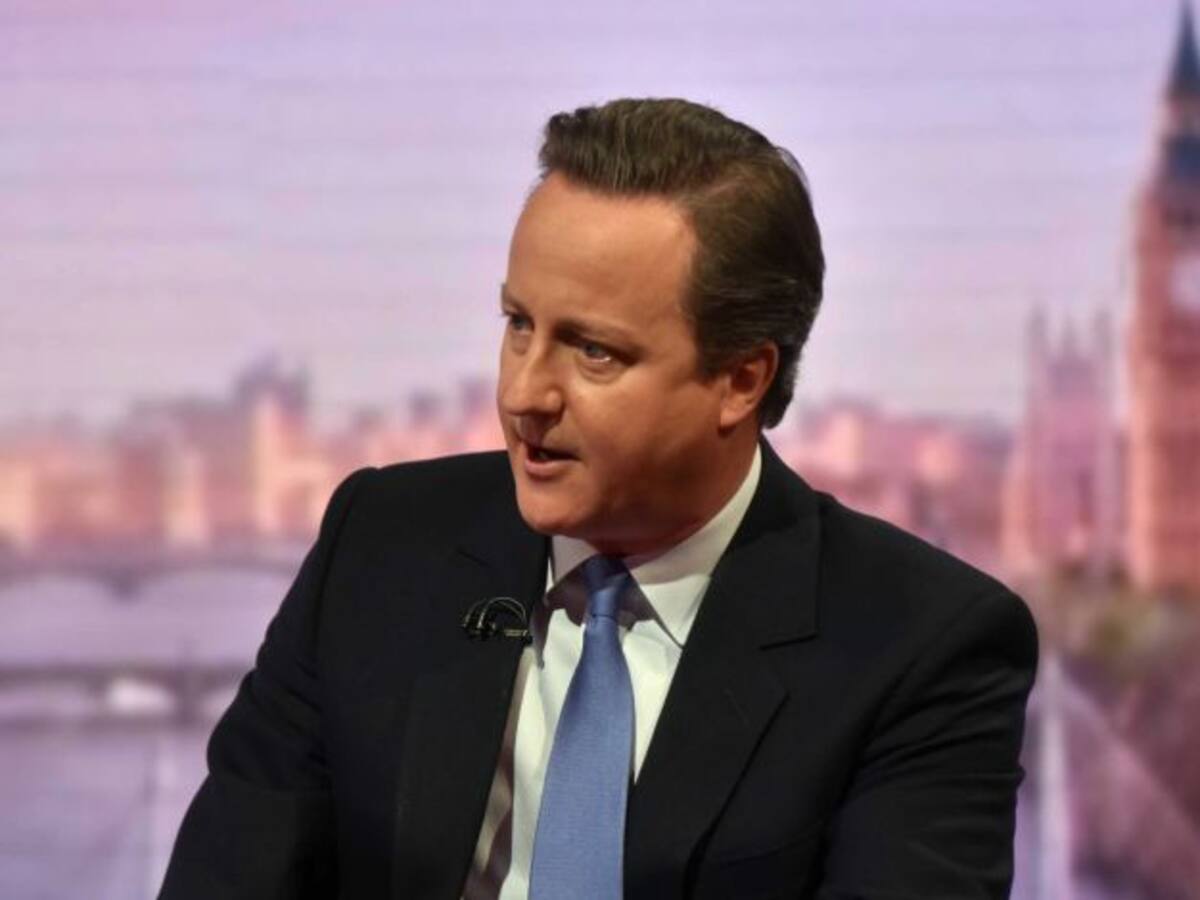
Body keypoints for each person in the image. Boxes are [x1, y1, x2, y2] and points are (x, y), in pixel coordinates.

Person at [159, 97, 1038, 900]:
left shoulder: (922, 647)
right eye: (518, 325)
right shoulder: (381, 545)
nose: (523, 395)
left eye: (594, 352)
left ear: (740, 379)